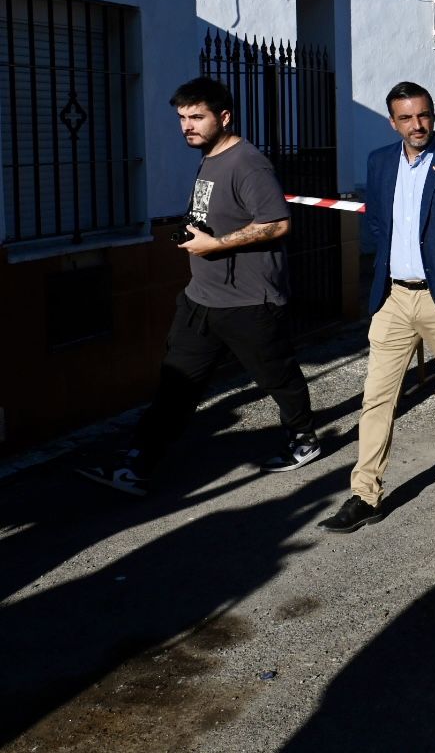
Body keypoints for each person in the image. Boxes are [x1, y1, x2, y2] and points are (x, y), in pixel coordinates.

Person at [77, 78, 319, 496]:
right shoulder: (210, 156)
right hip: (201, 298)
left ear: (224, 117)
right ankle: (137, 466)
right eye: (182, 118)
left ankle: (303, 439)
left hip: (249, 301)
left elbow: (278, 222)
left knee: (277, 377)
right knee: (176, 386)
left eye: (197, 117)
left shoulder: (248, 163)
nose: (187, 126)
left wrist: (215, 243)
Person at [318, 82, 435, 533]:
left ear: (433, 115)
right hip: (393, 297)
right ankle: (365, 494)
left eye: (423, 116)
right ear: (393, 122)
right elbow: (376, 221)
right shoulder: (379, 162)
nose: (417, 126)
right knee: (377, 398)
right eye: (407, 118)